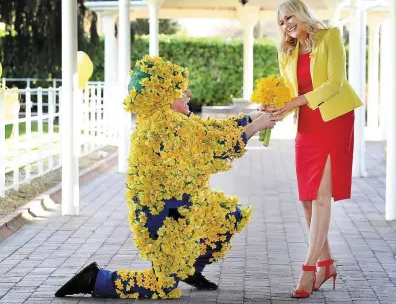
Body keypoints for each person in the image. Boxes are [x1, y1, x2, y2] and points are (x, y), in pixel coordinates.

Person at [55, 55, 276, 299]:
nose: (188, 94)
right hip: (166, 216)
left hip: (185, 204)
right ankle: (95, 279)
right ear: (163, 96)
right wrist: (256, 125)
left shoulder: (166, 119)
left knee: (229, 215)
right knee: (162, 286)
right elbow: (216, 144)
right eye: (181, 90)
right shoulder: (167, 124)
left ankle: (188, 268)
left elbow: (211, 130)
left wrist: (256, 117)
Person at [272, 0, 363, 299]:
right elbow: (289, 92)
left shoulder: (330, 37)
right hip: (307, 124)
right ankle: (327, 264)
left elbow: (335, 84)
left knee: (322, 197)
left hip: (333, 119)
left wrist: (294, 102)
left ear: (301, 13)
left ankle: (308, 269)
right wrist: (274, 107)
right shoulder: (288, 51)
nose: (286, 26)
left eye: (288, 18)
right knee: (307, 199)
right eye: (282, 23)